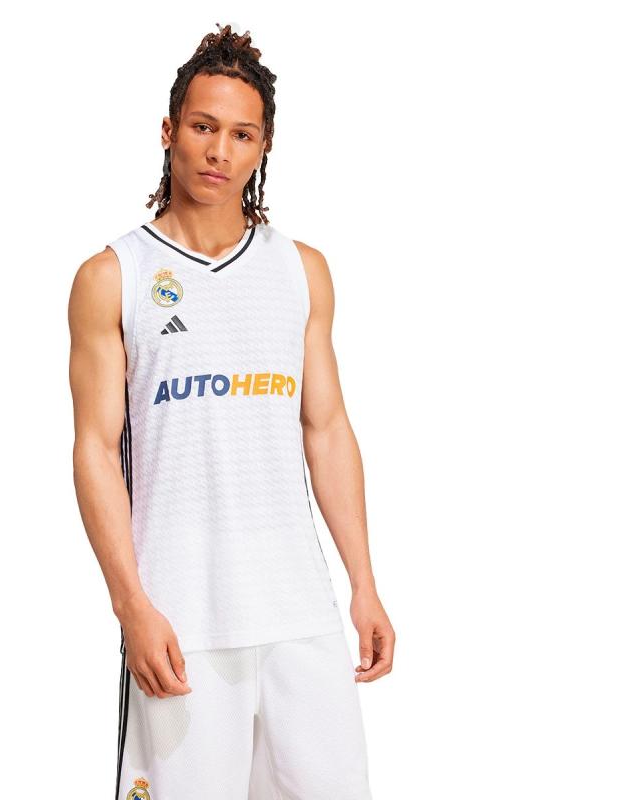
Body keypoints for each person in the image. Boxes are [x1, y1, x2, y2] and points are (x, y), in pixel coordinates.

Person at [68, 22, 395, 800]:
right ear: (169, 131)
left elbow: (326, 429)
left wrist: (364, 582)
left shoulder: (301, 270)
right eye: (203, 127)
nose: (219, 151)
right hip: (183, 619)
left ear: (262, 147)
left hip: (298, 613)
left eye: (241, 134)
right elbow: (94, 450)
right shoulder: (114, 276)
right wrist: (132, 606)